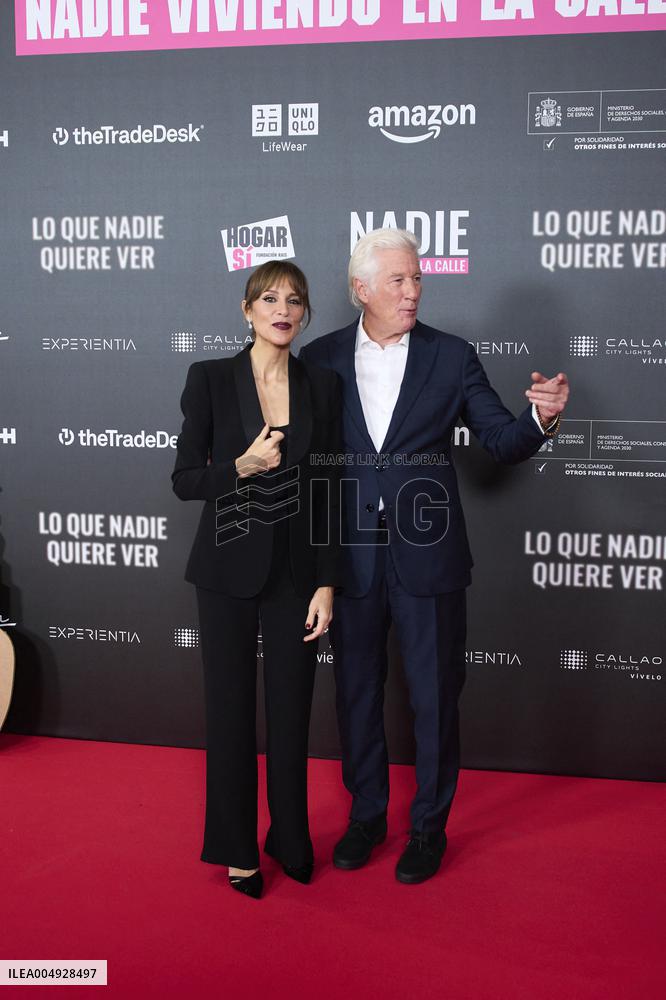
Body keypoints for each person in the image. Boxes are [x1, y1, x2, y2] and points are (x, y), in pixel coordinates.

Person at [299, 229, 569, 884]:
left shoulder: (452, 356)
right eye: (398, 280)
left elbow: (501, 439)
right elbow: (308, 465)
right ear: (360, 287)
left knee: (436, 695)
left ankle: (428, 828)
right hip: (353, 556)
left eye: (418, 278)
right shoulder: (321, 356)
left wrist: (541, 420)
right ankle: (367, 816)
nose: (413, 290)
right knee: (357, 692)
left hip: (431, 555)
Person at [172, 260, 342, 900]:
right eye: (268, 298)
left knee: (293, 712)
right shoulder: (211, 379)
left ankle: (290, 838)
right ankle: (238, 848)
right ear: (246, 310)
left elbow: (329, 490)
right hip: (224, 572)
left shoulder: (322, 385)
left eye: (294, 301)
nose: (282, 309)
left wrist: (328, 583)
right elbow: (186, 479)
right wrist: (240, 466)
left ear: (304, 316)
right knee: (231, 714)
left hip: (297, 575)